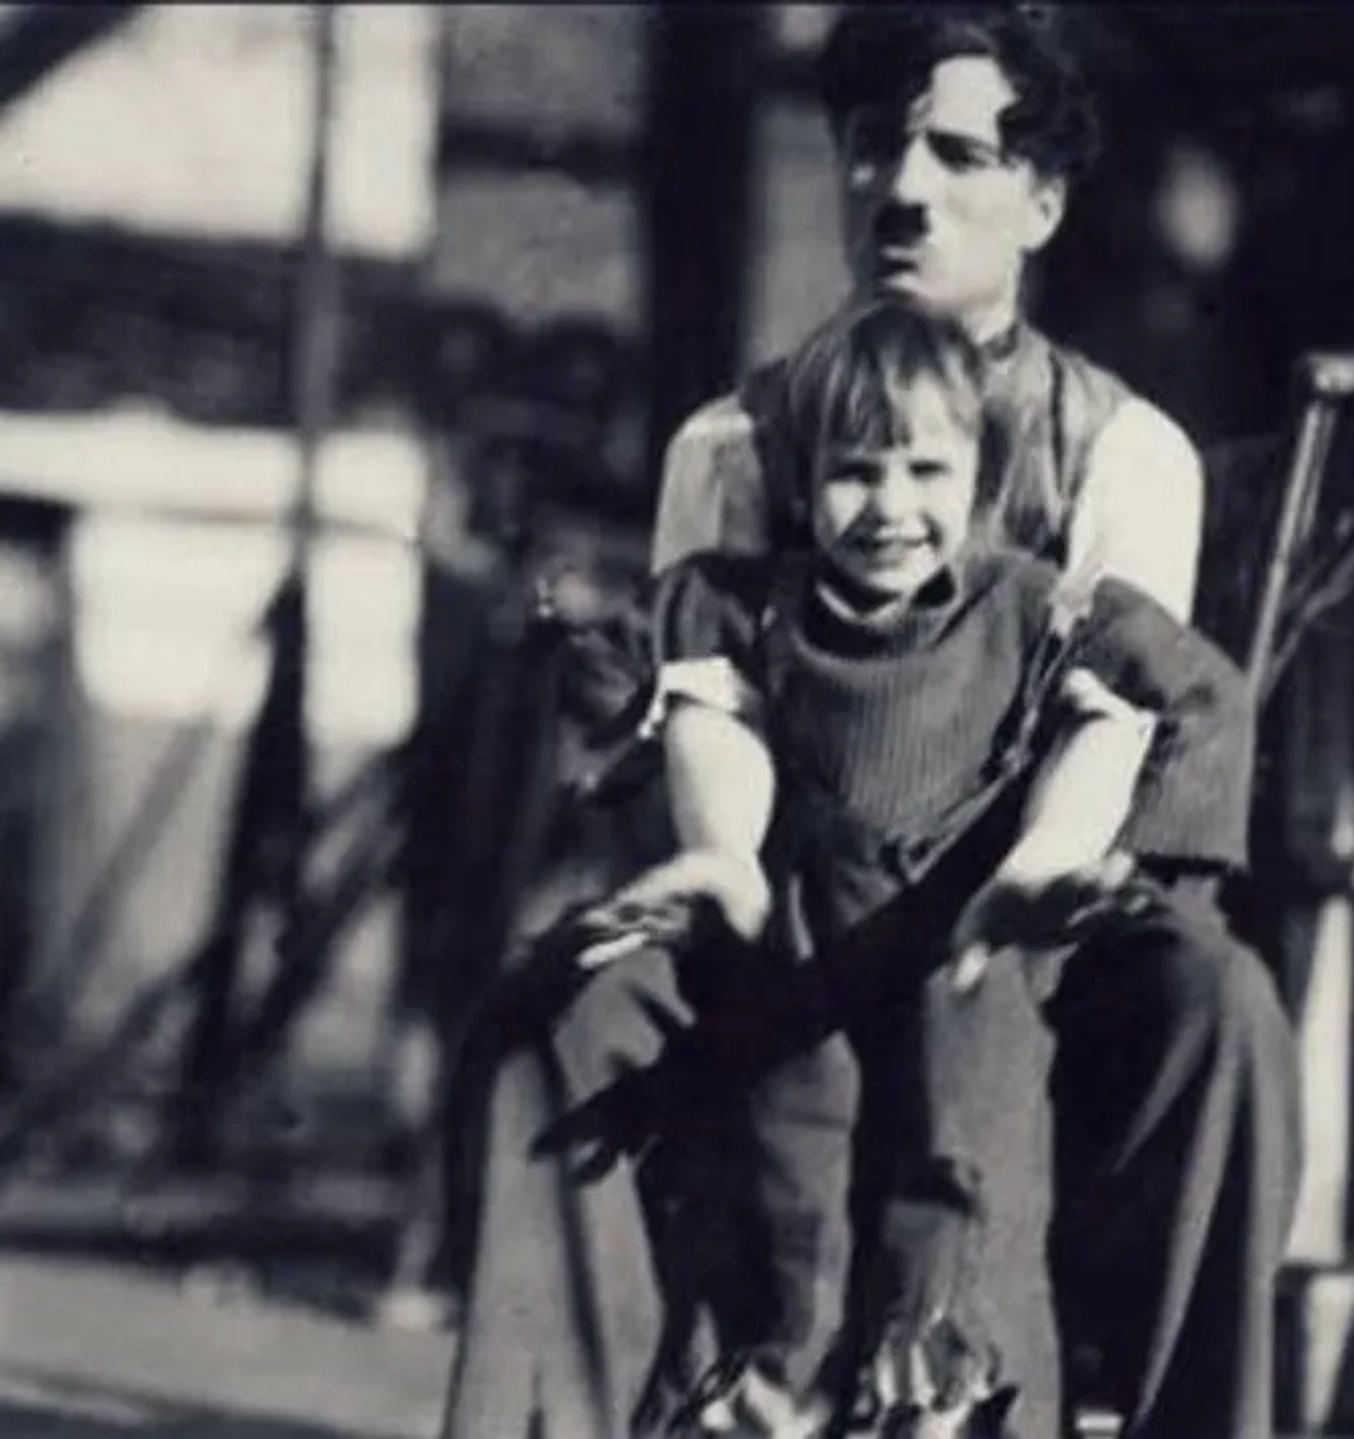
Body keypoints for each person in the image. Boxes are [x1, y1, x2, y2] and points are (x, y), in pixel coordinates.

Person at [442, 10, 1302, 1439]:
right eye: (872, 149)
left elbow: (1118, 714)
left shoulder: (1119, 449)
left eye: (959, 155)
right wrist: (715, 869)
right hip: (784, 893)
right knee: (568, 998)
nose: (905, 191)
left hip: (1018, 912)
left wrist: (1043, 881)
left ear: (1042, 200)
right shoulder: (734, 444)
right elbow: (693, 703)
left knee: (1222, 1004)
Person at [566, 300, 1261, 1438]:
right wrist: (705, 841)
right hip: (799, 939)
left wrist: (1063, 859)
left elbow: (1173, 697)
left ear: (978, 474)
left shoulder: (1033, 604)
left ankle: (942, 1400)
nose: (892, 509)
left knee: (959, 1171)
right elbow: (632, 675)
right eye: (855, 473)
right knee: (796, 1186)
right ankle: (779, 1399)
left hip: (971, 939)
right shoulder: (753, 602)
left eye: (926, 470)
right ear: (801, 483)